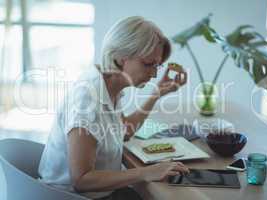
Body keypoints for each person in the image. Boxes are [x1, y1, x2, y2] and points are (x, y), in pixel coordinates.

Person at [38, 16, 189, 200]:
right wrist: (145, 172)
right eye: (148, 64)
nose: (154, 73)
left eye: (157, 65)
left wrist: (157, 94)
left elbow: (123, 130)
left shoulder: (109, 86)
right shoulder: (87, 101)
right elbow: (82, 180)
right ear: (119, 57)